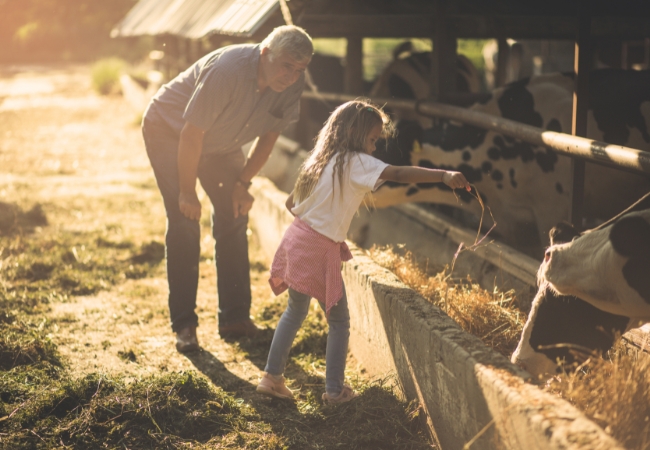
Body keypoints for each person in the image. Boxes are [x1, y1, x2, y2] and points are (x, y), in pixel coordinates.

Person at [256, 100, 471, 404]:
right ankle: (334, 391)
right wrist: (442, 176)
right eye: (372, 140)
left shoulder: (320, 159)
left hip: (296, 238)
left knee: (294, 311)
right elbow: (397, 174)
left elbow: (291, 203)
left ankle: (271, 377)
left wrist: (321, 215)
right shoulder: (354, 161)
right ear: (356, 135)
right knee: (340, 321)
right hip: (318, 246)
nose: (373, 148)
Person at [141, 25, 313, 352]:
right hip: (171, 131)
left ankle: (234, 318)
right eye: (286, 66)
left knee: (235, 215)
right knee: (185, 220)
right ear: (265, 54)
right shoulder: (228, 71)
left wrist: (242, 184)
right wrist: (187, 192)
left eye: (299, 70)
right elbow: (191, 136)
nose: (291, 76)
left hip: (221, 142)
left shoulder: (292, 83)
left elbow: (269, 139)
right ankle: (185, 326)